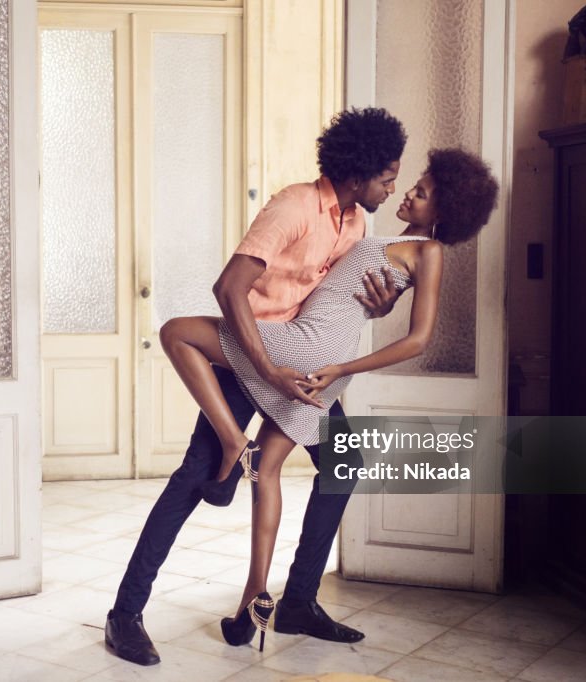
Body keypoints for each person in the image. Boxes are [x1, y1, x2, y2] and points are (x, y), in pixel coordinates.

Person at [156, 147, 499, 651]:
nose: (406, 192)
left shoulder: (429, 253)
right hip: (320, 356)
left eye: (420, 192)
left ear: (442, 214)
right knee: (269, 473)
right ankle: (256, 602)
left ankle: (233, 442)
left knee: (178, 331)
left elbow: (419, 340)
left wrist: (344, 367)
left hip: (312, 350)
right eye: (407, 184)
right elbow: (349, 293)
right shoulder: (380, 236)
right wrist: (368, 322)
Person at [105, 107, 408, 666]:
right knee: (195, 479)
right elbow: (230, 288)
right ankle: (125, 614)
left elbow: (335, 301)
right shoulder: (293, 205)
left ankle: (296, 602)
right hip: (249, 357)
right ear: (359, 170)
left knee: (343, 465)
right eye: (387, 176)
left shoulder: (356, 223)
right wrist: (266, 368)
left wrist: (382, 305)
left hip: (295, 359)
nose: (393, 187)